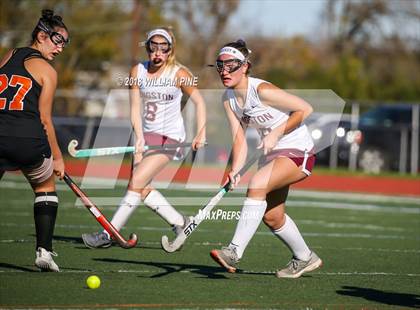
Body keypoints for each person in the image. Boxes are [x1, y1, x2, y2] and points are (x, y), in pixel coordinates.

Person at [82, 27, 206, 248]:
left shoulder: (178, 74)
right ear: (147, 47)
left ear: (170, 50)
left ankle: (109, 234)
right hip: (146, 137)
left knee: (136, 182)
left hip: (170, 138)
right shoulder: (136, 71)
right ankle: (180, 222)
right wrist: (139, 137)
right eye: (153, 47)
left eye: (163, 48)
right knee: (143, 188)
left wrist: (201, 132)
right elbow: (135, 108)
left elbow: (200, 102)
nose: (158, 53)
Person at [209, 40, 322, 278]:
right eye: (220, 66)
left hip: (296, 149)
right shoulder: (228, 99)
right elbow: (239, 138)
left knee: (258, 184)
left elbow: (305, 109)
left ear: (245, 66)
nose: (224, 71)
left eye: (231, 66)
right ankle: (305, 257)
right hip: (272, 154)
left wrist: (276, 133)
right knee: (272, 216)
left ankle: (234, 251)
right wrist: (235, 170)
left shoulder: (262, 90)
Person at [0, 9, 69, 271]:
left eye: (64, 43)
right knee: (45, 189)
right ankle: (44, 251)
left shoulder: (10, 55)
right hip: (27, 140)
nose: (61, 48)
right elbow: (45, 119)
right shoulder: (48, 71)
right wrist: (59, 158)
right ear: (41, 35)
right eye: (58, 40)